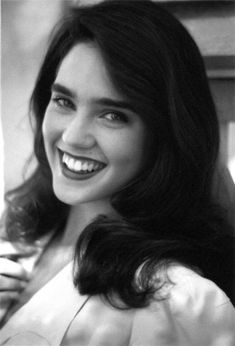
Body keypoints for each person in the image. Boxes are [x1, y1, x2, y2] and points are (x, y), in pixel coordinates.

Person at [0, 0, 235, 345]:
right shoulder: (19, 235)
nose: (72, 137)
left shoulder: (179, 303)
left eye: (113, 115)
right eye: (64, 101)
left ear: (165, 133)